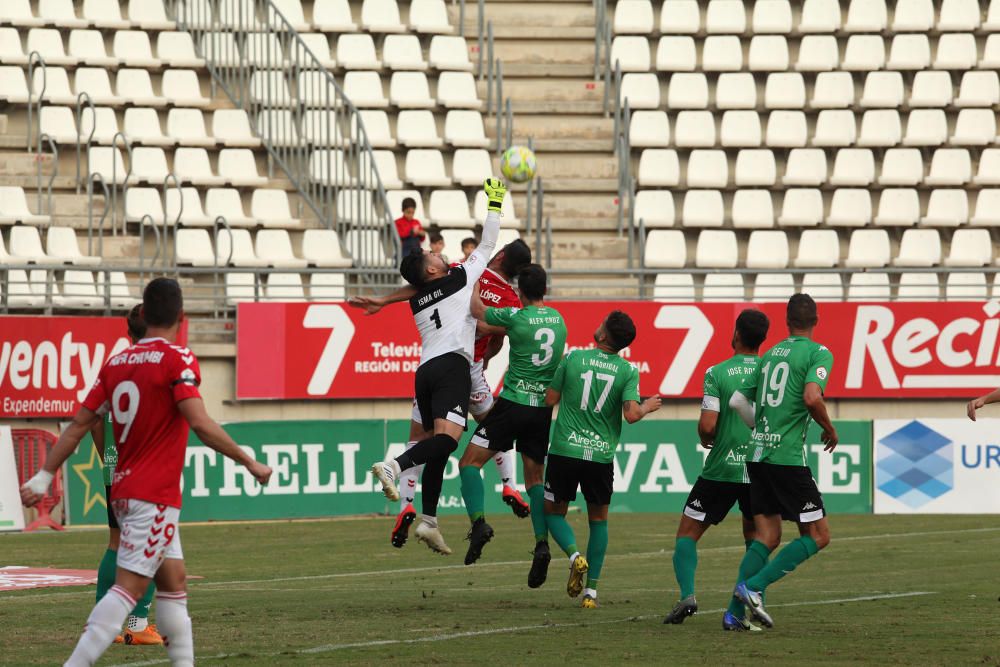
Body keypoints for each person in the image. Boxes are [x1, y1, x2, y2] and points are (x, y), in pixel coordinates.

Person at [21, 278, 272, 667]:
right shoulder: (178, 358)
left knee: (174, 583)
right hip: (152, 494)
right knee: (129, 589)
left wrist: (43, 475)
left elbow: (77, 425)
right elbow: (201, 423)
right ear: (181, 316)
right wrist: (249, 461)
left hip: (124, 489)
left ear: (145, 313)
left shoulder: (116, 363)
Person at [349, 238, 533, 552]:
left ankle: (412, 508)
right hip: (466, 367)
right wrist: (486, 351)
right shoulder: (508, 297)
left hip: (437, 364)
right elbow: (499, 336)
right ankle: (509, 485)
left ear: (500, 255)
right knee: (488, 429)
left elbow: (420, 288)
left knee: (422, 437)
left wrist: (384, 300)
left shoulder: (468, 271)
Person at [370, 179, 508, 555]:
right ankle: (394, 467)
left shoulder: (419, 297)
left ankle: (428, 521)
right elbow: (489, 244)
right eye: (432, 256)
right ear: (431, 272)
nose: (437, 253)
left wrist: (383, 300)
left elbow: (411, 290)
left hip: (425, 373)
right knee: (448, 441)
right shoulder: (460, 279)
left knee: (436, 446)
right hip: (450, 368)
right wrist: (495, 202)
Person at [728, 293, 838, 629]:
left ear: (787, 321)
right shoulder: (819, 353)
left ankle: (733, 614)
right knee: (819, 535)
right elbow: (811, 396)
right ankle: (755, 587)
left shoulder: (770, 353)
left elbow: (736, 399)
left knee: (768, 536)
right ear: (816, 321)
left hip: (758, 455)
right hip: (787, 458)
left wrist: (761, 427)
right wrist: (829, 428)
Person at [543, 311, 662, 609]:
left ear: (604, 335)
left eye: (602, 324)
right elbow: (632, 415)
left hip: (565, 450)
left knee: (553, 513)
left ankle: (574, 557)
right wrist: (647, 406)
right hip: (600, 456)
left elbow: (549, 399)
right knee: (599, 521)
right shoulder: (627, 371)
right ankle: (591, 593)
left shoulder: (572, 360)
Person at [459, 264, 567, 587]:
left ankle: (478, 523)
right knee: (535, 481)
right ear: (545, 290)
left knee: (469, 463)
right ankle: (541, 543)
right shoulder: (559, 321)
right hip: (541, 411)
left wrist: (475, 277)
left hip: (513, 403)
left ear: (520, 291)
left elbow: (479, 313)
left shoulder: (516, 317)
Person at [662, 309, 771, 631]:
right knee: (756, 538)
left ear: (736, 334)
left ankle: (687, 596)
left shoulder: (717, 373)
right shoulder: (771, 372)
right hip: (760, 469)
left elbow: (708, 426)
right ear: (763, 339)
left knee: (687, 534)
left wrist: (705, 437)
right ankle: (736, 610)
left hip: (721, 469)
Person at [90, 305, 162, 645]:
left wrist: (107, 456)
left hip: (115, 464)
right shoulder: (158, 367)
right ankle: (136, 623)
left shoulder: (113, 366)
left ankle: (103, 625)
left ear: (127, 332)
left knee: (116, 543)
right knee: (150, 543)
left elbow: (90, 416)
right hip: (144, 468)